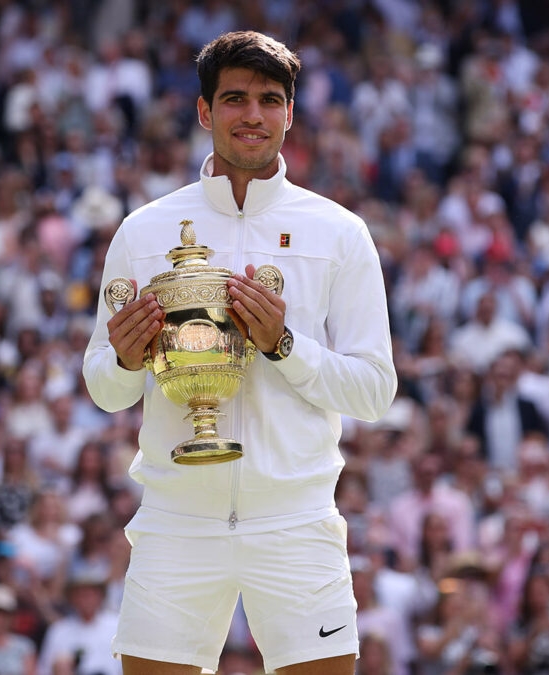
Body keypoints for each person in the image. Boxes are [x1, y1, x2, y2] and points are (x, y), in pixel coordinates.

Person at [82, 30, 396, 675]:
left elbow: (374, 390)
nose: (253, 116)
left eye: (270, 100)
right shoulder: (143, 230)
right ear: (204, 112)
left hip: (296, 517)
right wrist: (123, 356)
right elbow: (105, 389)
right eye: (234, 99)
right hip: (177, 517)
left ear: (290, 113)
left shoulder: (339, 232)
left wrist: (281, 345)